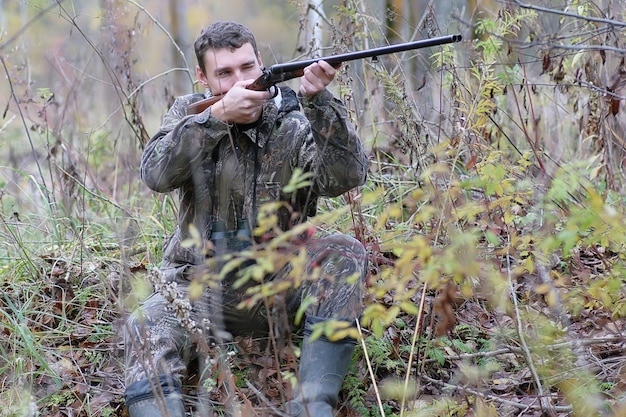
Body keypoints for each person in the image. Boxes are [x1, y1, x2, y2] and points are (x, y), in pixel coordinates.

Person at [123, 21, 369, 417]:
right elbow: (156, 174)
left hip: (282, 282)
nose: (241, 81)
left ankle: (312, 406)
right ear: (202, 77)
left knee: (345, 253)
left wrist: (320, 102)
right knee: (143, 322)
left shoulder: (293, 119)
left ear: (262, 64)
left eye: (248, 67)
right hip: (200, 288)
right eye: (224, 73)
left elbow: (346, 178)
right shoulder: (189, 115)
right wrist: (217, 117)